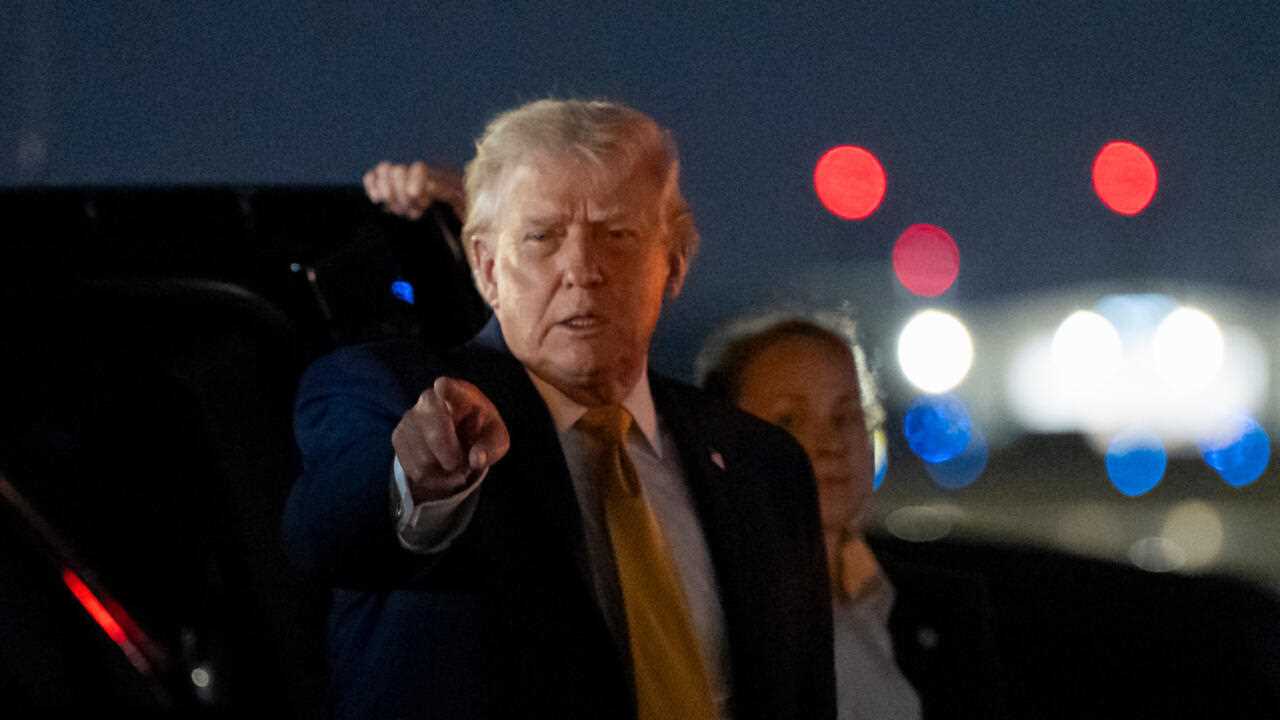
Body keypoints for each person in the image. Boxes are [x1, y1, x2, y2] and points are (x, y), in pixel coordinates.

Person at [284, 99, 836, 720]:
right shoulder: (392, 394)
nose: (581, 269)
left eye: (617, 235)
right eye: (542, 237)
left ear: (675, 264)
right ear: (487, 268)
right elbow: (325, 536)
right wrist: (418, 484)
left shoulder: (763, 465)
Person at [697, 312, 1007, 720]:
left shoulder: (940, 608)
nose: (830, 444)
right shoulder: (705, 614)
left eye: (845, 415)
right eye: (789, 420)